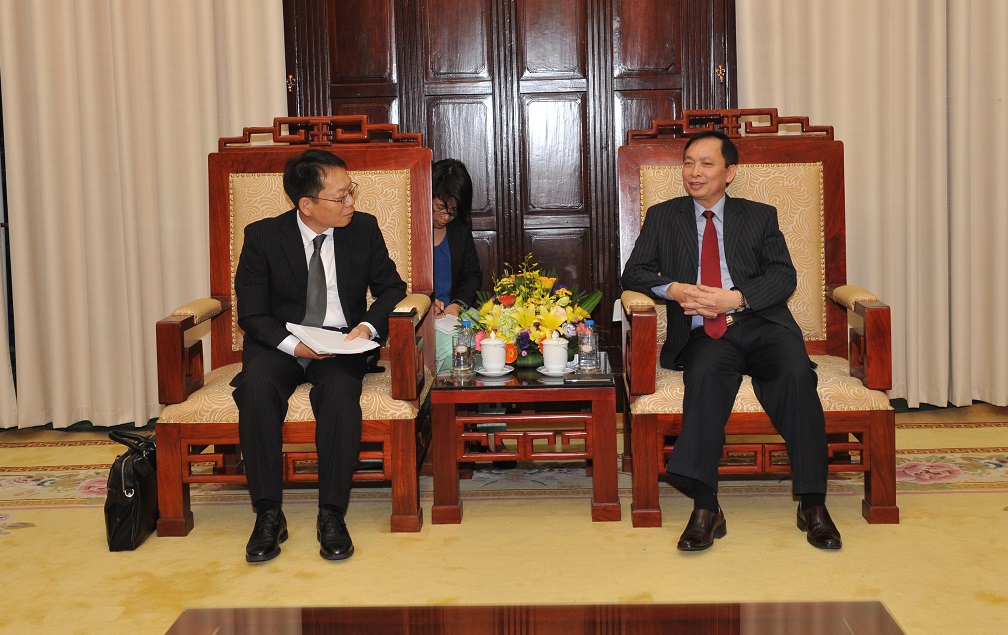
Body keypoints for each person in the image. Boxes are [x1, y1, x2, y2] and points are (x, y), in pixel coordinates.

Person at [621, 130, 841, 551]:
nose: (695, 172)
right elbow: (634, 273)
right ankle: (706, 507)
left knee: (796, 374)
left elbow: (783, 275)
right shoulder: (663, 216)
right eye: (688, 163)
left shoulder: (759, 215)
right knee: (703, 377)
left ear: (730, 172)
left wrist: (736, 298)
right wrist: (675, 289)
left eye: (706, 163)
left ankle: (813, 503)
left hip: (761, 324)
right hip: (705, 332)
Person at [231, 149, 407, 563]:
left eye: (351, 191)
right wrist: (295, 345)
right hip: (282, 342)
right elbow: (252, 313)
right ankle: (268, 513)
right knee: (257, 388)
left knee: (340, 391)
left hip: (342, 343)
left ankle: (331, 513)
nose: (351, 202)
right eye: (341, 196)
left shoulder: (363, 228)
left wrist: (367, 327)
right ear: (306, 204)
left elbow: (393, 288)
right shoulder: (263, 236)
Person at [430, 159, 482, 370]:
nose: (445, 217)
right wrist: (425, 303)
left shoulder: (459, 227)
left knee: (488, 340)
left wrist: (457, 305)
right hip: (422, 317)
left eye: (452, 212)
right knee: (454, 351)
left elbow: (472, 274)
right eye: (439, 209)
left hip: (452, 313)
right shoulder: (407, 226)